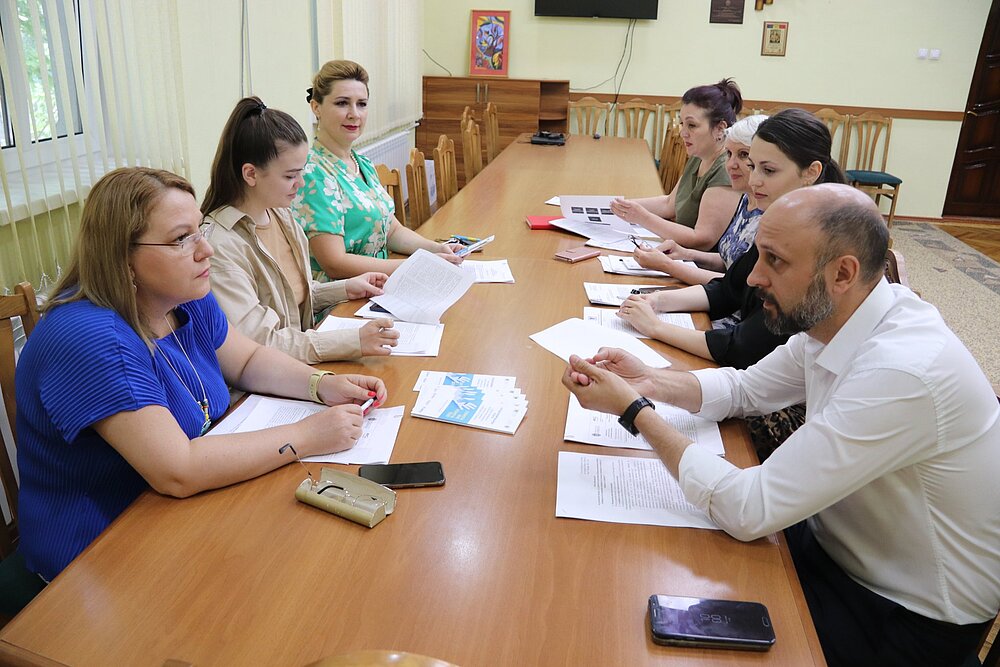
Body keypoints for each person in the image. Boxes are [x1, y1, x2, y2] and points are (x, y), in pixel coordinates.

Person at [562, 184, 1000, 667]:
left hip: (904, 616)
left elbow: (748, 510)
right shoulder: (841, 315)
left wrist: (635, 411)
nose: (753, 278)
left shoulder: (903, 372)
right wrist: (648, 379)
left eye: (775, 261)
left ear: (842, 273)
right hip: (836, 548)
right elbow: (746, 389)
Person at [15, 167, 388, 582]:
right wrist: (308, 435)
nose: (205, 250)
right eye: (181, 238)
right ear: (123, 257)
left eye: (199, 230)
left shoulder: (181, 294)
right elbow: (178, 470)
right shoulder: (89, 337)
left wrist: (322, 385)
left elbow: (247, 361)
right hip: (97, 550)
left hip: (179, 513)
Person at [618, 109, 845, 370]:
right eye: (753, 167)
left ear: (811, 172)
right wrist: (657, 301)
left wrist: (655, 327)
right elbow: (729, 289)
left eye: (768, 170)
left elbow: (745, 348)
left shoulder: (813, 241)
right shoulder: (780, 222)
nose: (754, 180)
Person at [201, 97, 399, 363]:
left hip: (298, 358)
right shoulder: (219, 246)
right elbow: (261, 342)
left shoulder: (281, 214)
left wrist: (346, 288)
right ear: (250, 174)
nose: (301, 183)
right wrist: (353, 341)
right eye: (290, 176)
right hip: (270, 375)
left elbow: (291, 297)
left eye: (301, 171)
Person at [292, 60, 463, 280]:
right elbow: (335, 263)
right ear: (316, 107)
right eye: (342, 103)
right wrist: (416, 266)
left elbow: (392, 231)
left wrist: (436, 249)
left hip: (378, 282)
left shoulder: (362, 163)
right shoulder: (313, 173)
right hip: (343, 294)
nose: (354, 114)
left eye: (362, 104)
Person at [609, 79, 744, 251]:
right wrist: (619, 206)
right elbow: (669, 204)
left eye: (692, 125)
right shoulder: (700, 155)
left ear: (720, 128)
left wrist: (642, 217)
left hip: (695, 262)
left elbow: (703, 240)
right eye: (682, 124)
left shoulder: (726, 168)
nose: (683, 133)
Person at [632, 114, 767, 285]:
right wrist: (686, 254)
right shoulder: (747, 199)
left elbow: (739, 287)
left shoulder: (769, 215)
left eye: (743, 155)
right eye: (729, 154)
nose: (730, 164)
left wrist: (667, 266)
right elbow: (730, 262)